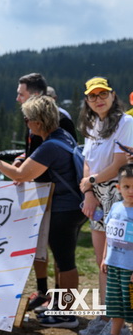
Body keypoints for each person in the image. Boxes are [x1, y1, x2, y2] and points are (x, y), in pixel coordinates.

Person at [0, 95, 87, 329]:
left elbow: (20, 175)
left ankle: (66, 315)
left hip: (63, 210)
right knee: (64, 261)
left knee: (66, 263)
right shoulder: (64, 137)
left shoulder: (49, 146)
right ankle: (62, 309)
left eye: (27, 119)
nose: (26, 124)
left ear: (38, 123)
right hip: (74, 206)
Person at [15, 73, 78, 312]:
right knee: (42, 247)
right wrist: (24, 158)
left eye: (21, 94)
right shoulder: (33, 118)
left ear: (35, 94)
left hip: (59, 197)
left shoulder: (59, 119)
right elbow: (35, 151)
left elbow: (63, 154)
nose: (17, 98)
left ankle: (63, 307)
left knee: (62, 255)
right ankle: (45, 294)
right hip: (42, 193)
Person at [78, 77, 133, 335]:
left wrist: (90, 182)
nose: (98, 99)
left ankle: (119, 323)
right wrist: (89, 192)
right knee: (102, 259)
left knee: (119, 261)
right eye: (93, 95)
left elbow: (119, 165)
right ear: (87, 100)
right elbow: (87, 162)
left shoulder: (126, 123)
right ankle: (104, 315)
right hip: (97, 194)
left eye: (103, 94)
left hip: (117, 193)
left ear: (113, 95)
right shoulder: (92, 125)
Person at [100, 164, 133, 335]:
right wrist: (105, 257)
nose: (131, 191)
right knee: (115, 305)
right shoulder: (115, 207)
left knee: (131, 305)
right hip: (114, 266)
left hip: (130, 269)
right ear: (119, 188)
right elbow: (109, 235)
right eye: (126, 186)